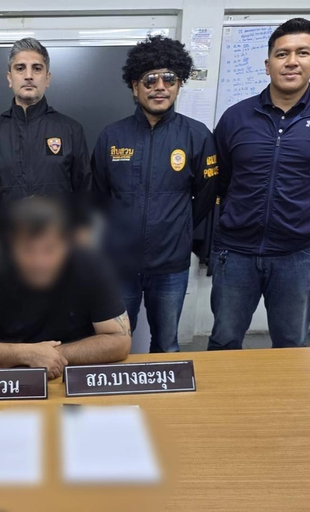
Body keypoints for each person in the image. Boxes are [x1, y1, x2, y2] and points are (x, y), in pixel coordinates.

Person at [208, 18, 310, 350]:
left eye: (302, 53)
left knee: (291, 345)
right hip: (235, 253)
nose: (291, 61)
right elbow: (222, 180)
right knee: (224, 341)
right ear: (268, 65)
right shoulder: (236, 117)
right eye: (282, 54)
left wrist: (302, 210)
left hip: (298, 255)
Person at [91, 35, 219, 353]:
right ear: (135, 87)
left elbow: (205, 197)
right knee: (114, 345)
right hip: (119, 264)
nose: (159, 87)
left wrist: (178, 229)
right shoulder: (111, 136)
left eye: (169, 78)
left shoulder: (197, 136)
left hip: (171, 265)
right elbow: (98, 198)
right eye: (150, 79)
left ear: (179, 84)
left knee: (167, 344)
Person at [0, 196, 131, 379]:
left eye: (49, 249)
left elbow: (119, 340)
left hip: (75, 378)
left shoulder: (92, 266)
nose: (39, 262)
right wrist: (26, 354)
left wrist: (51, 355)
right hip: (13, 378)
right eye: (28, 250)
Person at [0, 37, 91, 227]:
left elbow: (84, 196)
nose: (28, 76)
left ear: (47, 78)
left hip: (58, 242)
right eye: (20, 68)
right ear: (9, 78)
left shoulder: (71, 130)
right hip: (7, 243)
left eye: (37, 68)